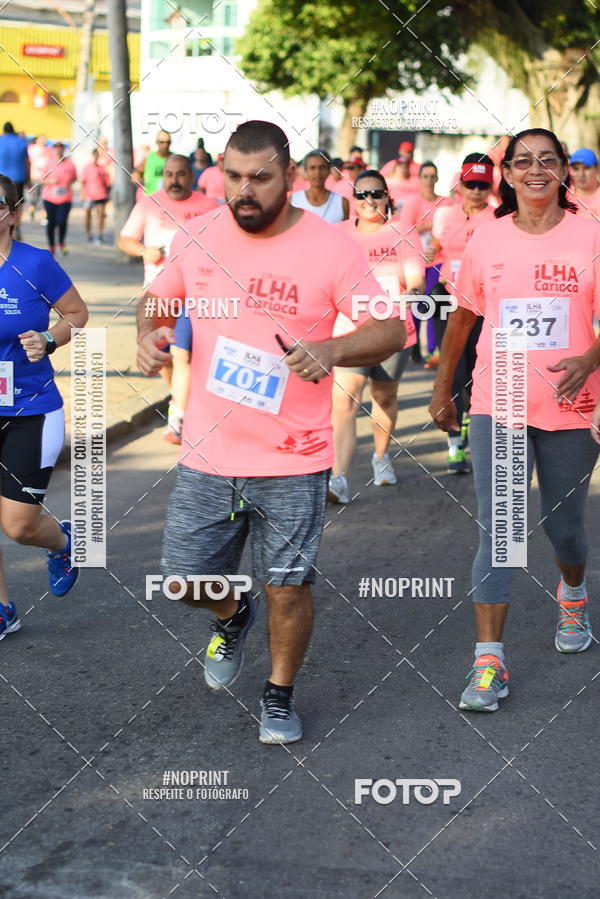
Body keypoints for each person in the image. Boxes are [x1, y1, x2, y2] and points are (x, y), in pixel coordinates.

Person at [136, 120, 404, 744]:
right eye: (233, 177)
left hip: (295, 454)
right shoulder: (198, 236)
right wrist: (148, 333)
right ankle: (233, 614)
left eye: (259, 178)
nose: (244, 191)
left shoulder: (331, 247)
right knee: (182, 579)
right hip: (211, 451)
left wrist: (333, 348)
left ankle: (279, 695)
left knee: (288, 588)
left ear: (290, 178)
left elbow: (392, 330)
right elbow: (159, 299)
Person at [430, 128, 600, 713]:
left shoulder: (591, 237)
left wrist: (589, 357)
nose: (534, 170)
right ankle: (488, 662)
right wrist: (442, 386)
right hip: (498, 401)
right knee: (499, 533)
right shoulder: (487, 238)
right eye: (522, 161)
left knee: (566, 530)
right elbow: (462, 317)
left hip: (572, 405)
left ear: (563, 173)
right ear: (506, 175)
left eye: (546, 160)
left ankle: (572, 590)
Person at [0, 175, 89, 642]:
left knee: (18, 527)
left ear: (13, 213)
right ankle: (2, 610)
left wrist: (50, 338)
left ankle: (64, 541)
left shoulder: (36, 263)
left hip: (31, 409)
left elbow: (77, 312)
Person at [328, 170, 424, 504]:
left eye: (376, 194)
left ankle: (381, 456)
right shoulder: (337, 235)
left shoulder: (403, 232)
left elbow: (415, 280)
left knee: (383, 397)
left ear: (387, 197)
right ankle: (337, 477)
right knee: (345, 400)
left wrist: (409, 296)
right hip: (348, 330)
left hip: (391, 331)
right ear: (352, 201)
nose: (369, 200)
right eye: (362, 194)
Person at [120, 154, 219, 441]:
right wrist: (143, 252)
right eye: (169, 174)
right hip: (158, 294)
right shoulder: (149, 203)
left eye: (180, 174)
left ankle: (179, 413)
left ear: (192, 176)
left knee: (185, 354)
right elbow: (125, 239)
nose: (174, 180)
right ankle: (181, 401)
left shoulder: (209, 207)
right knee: (165, 357)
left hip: (197, 296)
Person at [428, 153, 496, 473]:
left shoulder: (499, 219)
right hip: (447, 301)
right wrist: (431, 253)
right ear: (460, 185)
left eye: (483, 185)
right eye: (471, 184)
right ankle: (454, 444)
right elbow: (435, 248)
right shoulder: (444, 216)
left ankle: (470, 432)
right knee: (453, 369)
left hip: (481, 306)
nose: (477, 191)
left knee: (475, 375)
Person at [400, 161, 452, 364]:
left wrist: (437, 243)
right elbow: (405, 231)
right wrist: (428, 225)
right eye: (425, 176)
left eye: (432, 176)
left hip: (438, 260)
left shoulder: (446, 203)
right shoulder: (412, 203)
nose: (429, 180)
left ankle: (433, 350)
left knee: (434, 305)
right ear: (419, 179)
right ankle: (414, 346)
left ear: (437, 178)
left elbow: (449, 231)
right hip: (416, 262)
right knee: (416, 305)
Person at [291, 149, 349, 223]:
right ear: (306, 171)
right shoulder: (294, 201)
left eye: (322, 167)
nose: (317, 172)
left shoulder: (342, 203)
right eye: (312, 168)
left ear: (329, 170)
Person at [41, 143, 77, 256]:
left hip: (65, 198)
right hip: (49, 198)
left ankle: (61, 242)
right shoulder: (48, 163)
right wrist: (50, 182)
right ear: (53, 150)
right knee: (51, 222)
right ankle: (51, 245)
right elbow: (41, 179)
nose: (58, 151)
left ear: (63, 150)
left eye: (60, 149)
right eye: (56, 149)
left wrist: (68, 184)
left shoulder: (70, 164)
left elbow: (75, 177)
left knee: (61, 222)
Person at [0, 123, 29, 240]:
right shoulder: (21, 142)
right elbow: (27, 162)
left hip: (1, 178)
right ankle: (16, 226)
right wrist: (28, 178)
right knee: (18, 203)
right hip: (18, 177)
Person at [80, 149, 110, 244]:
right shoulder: (87, 167)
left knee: (101, 215)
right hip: (89, 195)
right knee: (87, 215)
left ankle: (99, 234)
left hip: (101, 194)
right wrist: (82, 194)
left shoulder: (102, 168)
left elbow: (107, 182)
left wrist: (107, 194)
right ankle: (88, 233)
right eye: (94, 156)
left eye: (97, 156)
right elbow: (82, 182)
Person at [568, 148, 600, 219]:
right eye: (576, 169)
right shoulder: (564, 195)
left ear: (597, 169)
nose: (581, 174)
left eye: (586, 168)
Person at [27, 134, 50, 222]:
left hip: (46, 178)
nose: (44, 140)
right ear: (37, 140)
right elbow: (29, 161)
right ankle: (31, 213)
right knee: (34, 198)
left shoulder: (48, 150)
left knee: (45, 197)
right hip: (35, 176)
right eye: (42, 138)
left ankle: (44, 217)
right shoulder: (32, 149)